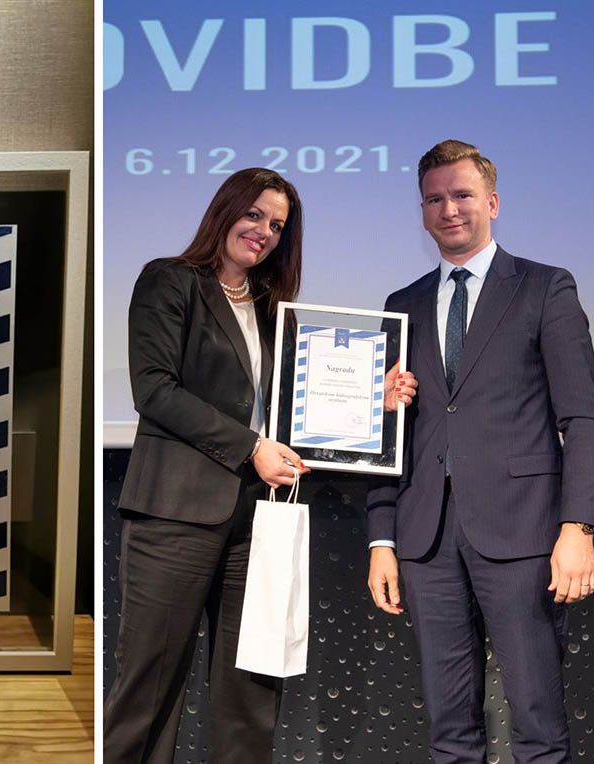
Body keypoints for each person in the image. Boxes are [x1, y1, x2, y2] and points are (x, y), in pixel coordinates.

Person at [104, 167, 414, 764]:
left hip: (260, 520)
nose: (264, 231)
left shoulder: (277, 311)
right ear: (225, 212)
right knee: (150, 686)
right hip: (174, 514)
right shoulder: (171, 281)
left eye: (277, 225)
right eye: (254, 215)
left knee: (252, 690)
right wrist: (250, 447)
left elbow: (298, 410)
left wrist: (369, 402)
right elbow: (155, 390)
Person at [366, 140, 594, 764]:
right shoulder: (401, 305)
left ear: (492, 203)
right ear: (422, 211)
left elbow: (582, 419)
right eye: (434, 199)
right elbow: (387, 439)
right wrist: (382, 538)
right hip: (426, 540)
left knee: (538, 725)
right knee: (450, 733)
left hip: (524, 533)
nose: (449, 210)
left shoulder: (545, 287)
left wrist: (578, 528)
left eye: (462, 195)